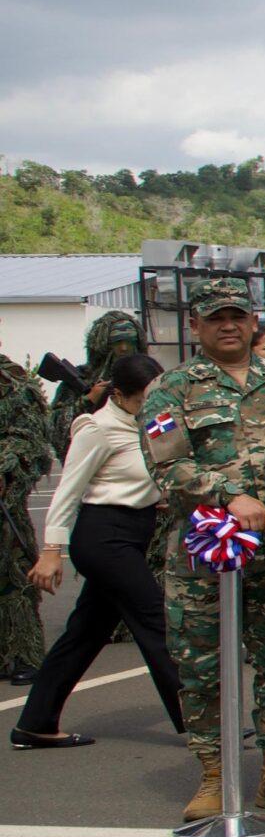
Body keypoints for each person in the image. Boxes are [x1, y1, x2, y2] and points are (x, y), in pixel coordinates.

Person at [138, 277, 265, 820]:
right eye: (216, 318)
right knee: (200, 666)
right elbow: (165, 465)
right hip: (203, 555)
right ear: (196, 326)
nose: (229, 325)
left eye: (238, 315)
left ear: (254, 321)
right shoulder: (171, 389)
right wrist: (229, 495)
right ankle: (213, 773)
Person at [14, 352, 186, 748]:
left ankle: (36, 722)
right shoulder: (97, 427)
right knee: (156, 621)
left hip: (131, 533)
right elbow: (68, 490)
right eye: (146, 397)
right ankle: (205, 722)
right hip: (104, 536)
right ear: (121, 395)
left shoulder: (151, 424)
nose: (155, 403)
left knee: (85, 634)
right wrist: (52, 548)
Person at [0, 354, 47, 683]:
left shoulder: (14, 386)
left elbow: (28, 438)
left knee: (13, 576)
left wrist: (5, 464)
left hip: (5, 500)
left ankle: (23, 655)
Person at [46, 309, 144, 460]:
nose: (124, 348)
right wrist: (89, 399)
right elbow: (56, 428)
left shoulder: (147, 378)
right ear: (103, 346)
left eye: (129, 342)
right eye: (117, 342)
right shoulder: (80, 379)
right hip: (92, 459)